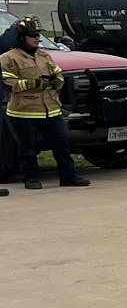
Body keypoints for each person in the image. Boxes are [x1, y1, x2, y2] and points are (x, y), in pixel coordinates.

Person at [1, 18, 90, 190]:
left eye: (38, 35)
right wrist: (34, 83)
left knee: (62, 144)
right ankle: (30, 179)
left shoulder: (44, 55)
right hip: (24, 111)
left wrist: (57, 81)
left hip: (50, 109)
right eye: (32, 35)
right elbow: (9, 83)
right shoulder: (8, 58)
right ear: (21, 38)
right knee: (27, 147)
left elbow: (57, 73)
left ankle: (68, 177)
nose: (37, 39)